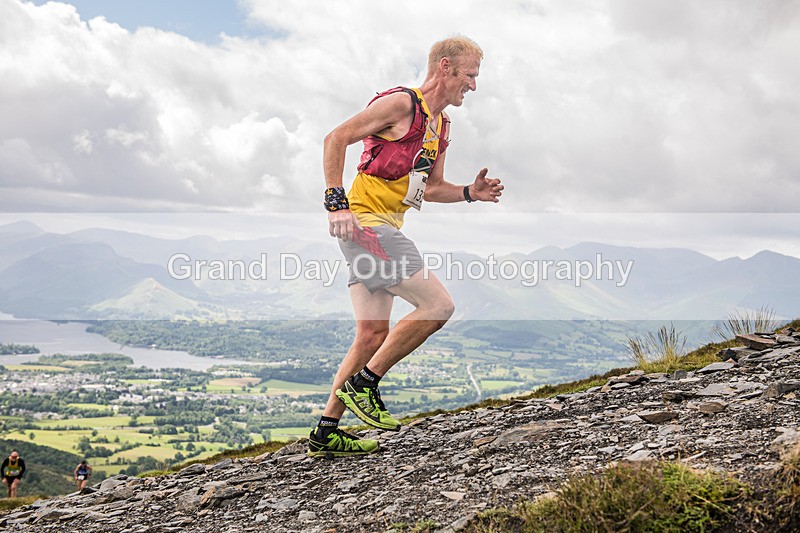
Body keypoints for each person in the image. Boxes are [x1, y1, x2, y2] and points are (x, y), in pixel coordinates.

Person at [309, 36, 503, 457]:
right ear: (446, 67)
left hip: (379, 227)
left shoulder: (441, 126)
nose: (473, 85)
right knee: (438, 306)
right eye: (470, 75)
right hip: (366, 224)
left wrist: (470, 192)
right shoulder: (402, 104)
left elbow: (430, 188)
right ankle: (365, 384)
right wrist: (336, 202)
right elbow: (336, 138)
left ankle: (326, 432)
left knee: (371, 334)